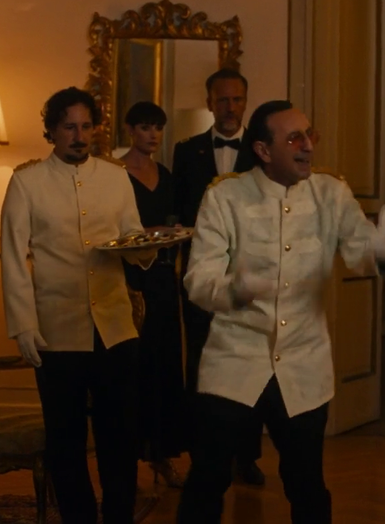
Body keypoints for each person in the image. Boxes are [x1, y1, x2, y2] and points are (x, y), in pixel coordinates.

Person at [176, 100, 385, 523]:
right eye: (294, 138)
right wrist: (234, 290)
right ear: (263, 150)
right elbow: (198, 280)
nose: (308, 146)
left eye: (309, 135)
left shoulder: (331, 193)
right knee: (207, 478)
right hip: (233, 362)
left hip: (303, 364)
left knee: (306, 483)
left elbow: (361, 253)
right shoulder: (224, 196)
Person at [0, 87, 145, 524]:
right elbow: (13, 258)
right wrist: (24, 325)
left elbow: (133, 237)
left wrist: (148, 247)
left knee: (120, 437)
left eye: (86, 126)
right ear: (51, 131)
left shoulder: (116, 177)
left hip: (115, 328)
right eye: (69, 127)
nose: (79, 136)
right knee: (66, 441)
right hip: (57, 330)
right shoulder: (26, 182)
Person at [170, 67, 266, 485]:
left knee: (250, 364)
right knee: (201, 364)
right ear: (209, 103)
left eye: (237, 99)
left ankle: (246, 456)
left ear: (246, 102)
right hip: (201, 277)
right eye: (222, 99)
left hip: (250, 278)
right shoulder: (186, 151)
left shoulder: (262, 150)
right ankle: (203, 455)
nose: (230, 107)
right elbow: (178, 213)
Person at [119, 100, 187, 487]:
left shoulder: (166, 174)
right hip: (129, 280)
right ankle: (127, 457)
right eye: (145, 127)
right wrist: (151, 234)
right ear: (130, 130)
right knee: (134, 367)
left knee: (165, 364)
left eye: (158, 128)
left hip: (162, 278)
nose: (153, 135)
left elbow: (176, 222)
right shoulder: (116, 175)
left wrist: (170, 236)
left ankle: (162, 454)